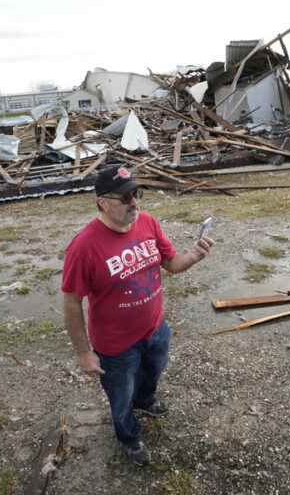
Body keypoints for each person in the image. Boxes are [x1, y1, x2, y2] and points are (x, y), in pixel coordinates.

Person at [61, 165, 214, 466]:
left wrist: (195, 254)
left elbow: (171, 263)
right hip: (116, 347)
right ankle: (129, 437)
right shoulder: (83, 247)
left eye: (136, 193)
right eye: (125, 197)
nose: (134, 203)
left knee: (153, 373)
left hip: (155, 330)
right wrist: (83, 353)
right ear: (102, 202)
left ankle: (145, 402)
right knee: (120, 398)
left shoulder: (148, 223)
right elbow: (71, 302)